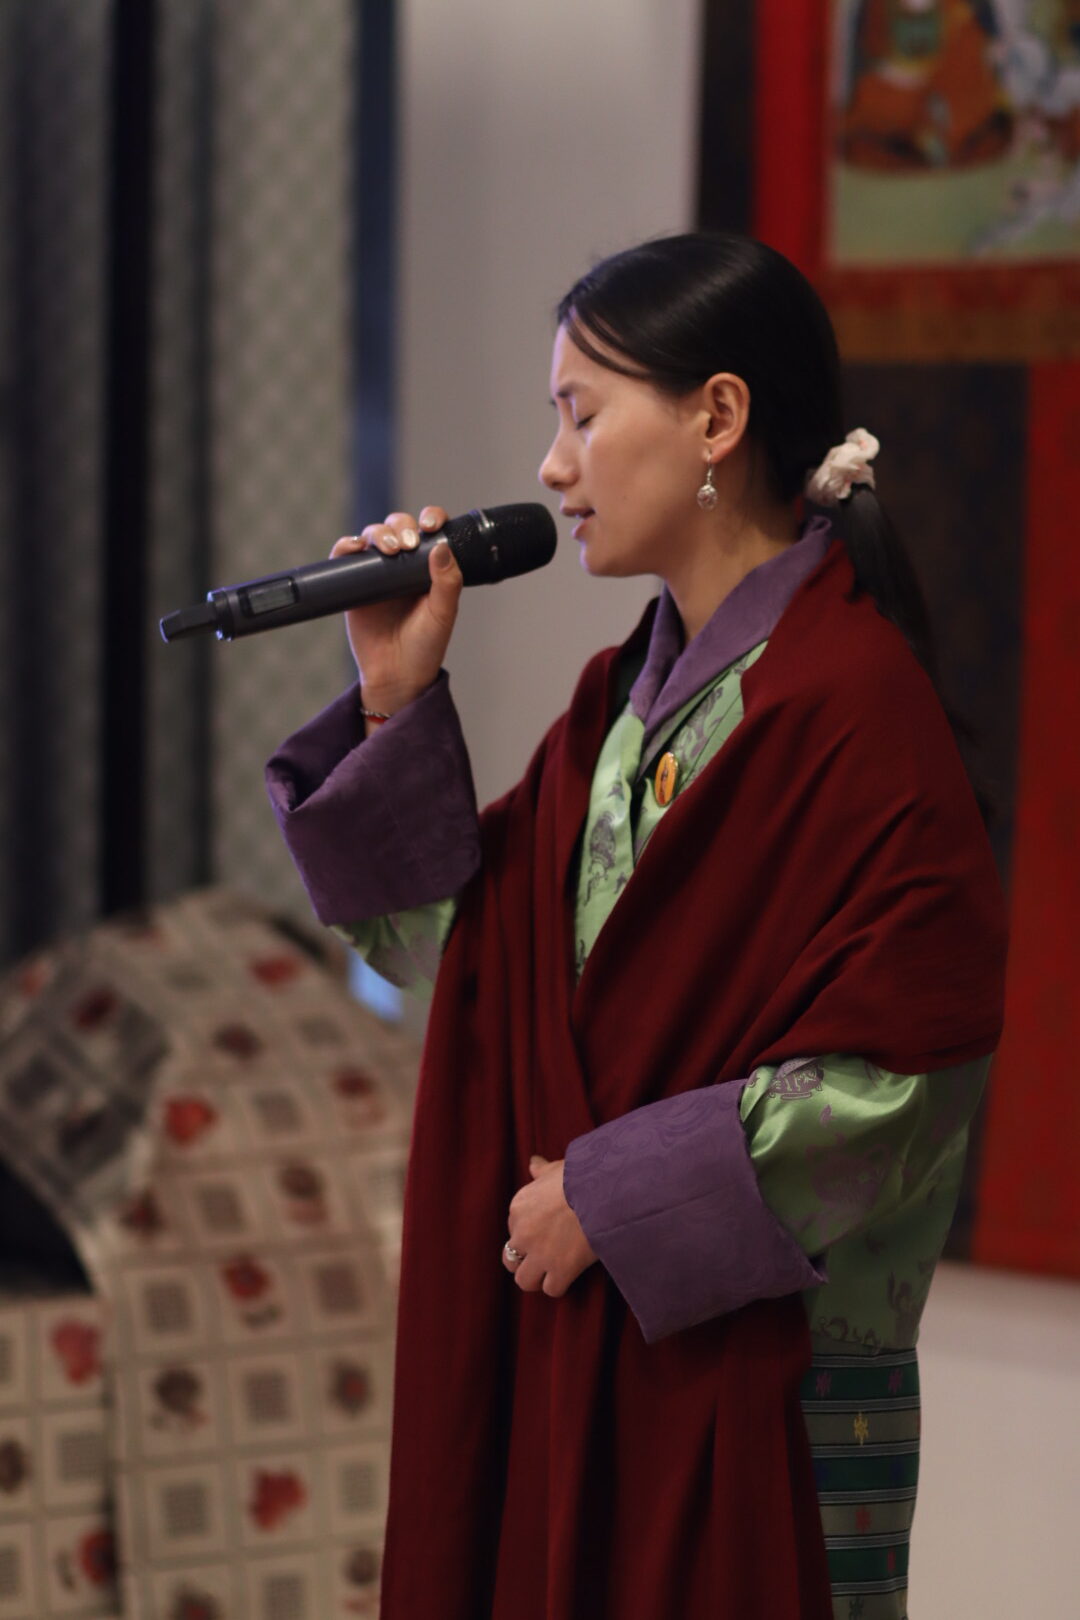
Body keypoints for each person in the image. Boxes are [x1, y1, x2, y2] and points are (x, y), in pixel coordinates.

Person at [266, 232, 1008, 1620]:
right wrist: (394, 697)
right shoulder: (616, 708)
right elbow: (466, 965)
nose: (552, 468)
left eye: (582, 413)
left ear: (717, 417)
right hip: (584, 1344)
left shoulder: (855, 706)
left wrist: (611, 1199)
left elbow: (904, 1073)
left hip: (771, 1376)